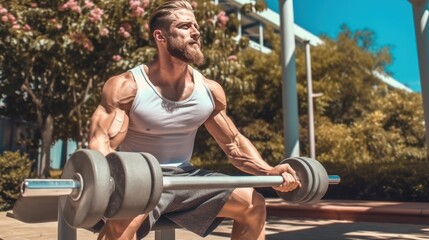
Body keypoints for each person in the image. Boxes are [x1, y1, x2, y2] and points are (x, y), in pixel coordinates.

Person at [88, 0, 301, 239]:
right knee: (121, 226)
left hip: (186, 179)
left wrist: (269, 171)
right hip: (141, 177)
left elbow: (233, 144)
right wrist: (111, 186)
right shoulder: (127, 86)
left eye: (196, 26)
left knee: (253, 204)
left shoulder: (208, 91)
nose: (196, 32)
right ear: (161, 36)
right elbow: (102, 143)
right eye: (185, 26)